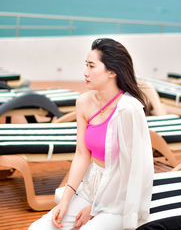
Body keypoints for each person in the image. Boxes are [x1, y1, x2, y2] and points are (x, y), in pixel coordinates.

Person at [28, 38, 154, 230]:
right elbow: (81, 153)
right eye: (85, 65)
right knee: (38, 228)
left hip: (119, 198)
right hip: (90, 187)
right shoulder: (84, 102)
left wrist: (95, 209)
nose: (85, 72)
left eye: (92, 66)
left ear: (112, 71)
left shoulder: (129, 110)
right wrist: (65, 200)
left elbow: (133, 171)